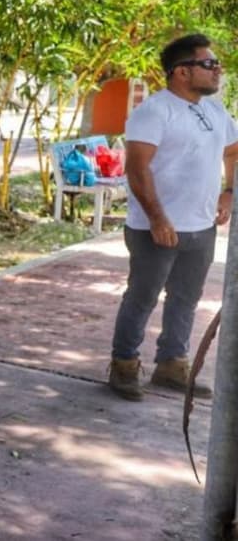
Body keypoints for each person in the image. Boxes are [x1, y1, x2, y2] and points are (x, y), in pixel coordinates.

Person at [107, 33, 238, 401]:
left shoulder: (214, 111)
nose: (217, 70)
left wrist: (229, 191)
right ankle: (124, 366)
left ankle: (171, 365)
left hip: (202, 226)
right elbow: (137, 169)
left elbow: (234, 151)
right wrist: (158, 219)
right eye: (209, 64)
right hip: (156, 229)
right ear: (181, 71)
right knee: (142, 297)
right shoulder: (154, 111)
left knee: (186, 297)